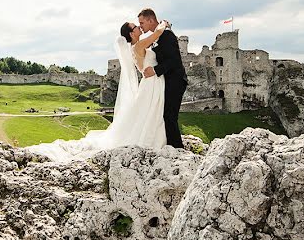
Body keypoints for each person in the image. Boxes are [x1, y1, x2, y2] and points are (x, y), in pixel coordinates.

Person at [25, 19, 169, 161]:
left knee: (149, 113)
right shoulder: (137, 47)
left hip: (153, 82)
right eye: (136, 26)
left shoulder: (138, 46)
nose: (139, 27)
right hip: (151, 82)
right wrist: (162, 25)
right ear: (131, 34)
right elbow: (157, 34)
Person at [139, 8, 188, 149]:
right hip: (168, 81)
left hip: (176, 81)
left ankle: (177, 148)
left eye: (142, 23)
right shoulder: (159, 35)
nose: (141, 26)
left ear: (150, 20)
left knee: (169, 115)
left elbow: (173, 60)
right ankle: (171, 145)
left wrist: (155, 70)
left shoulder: (167, 35)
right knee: (165, 114)